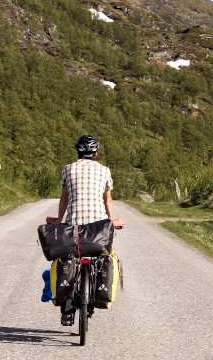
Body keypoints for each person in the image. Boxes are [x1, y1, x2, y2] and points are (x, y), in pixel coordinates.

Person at [46, 135, 125, 326]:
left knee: (67, 260)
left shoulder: (68, 169)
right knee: (101, 257)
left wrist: (58, 220)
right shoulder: (105, 171)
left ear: (78, 153)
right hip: (98, 230)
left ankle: (66, 310)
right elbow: (108, 201)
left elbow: (64, 199)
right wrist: (110, 222)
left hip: (74, 228)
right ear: (96, 154)